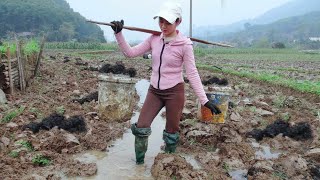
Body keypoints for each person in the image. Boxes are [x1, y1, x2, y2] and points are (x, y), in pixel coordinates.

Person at [110, 1, 221, 165]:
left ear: (178, 22)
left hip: (174, 93)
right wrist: (119, 34)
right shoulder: (154, 39)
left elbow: (192, 73)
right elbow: (130, 53)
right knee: (141, 128)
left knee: (171, 132)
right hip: (154, 91)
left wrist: (204, 100)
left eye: (168, 22)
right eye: (160, 21)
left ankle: (167, 164)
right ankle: (139, 165)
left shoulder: (185, 44)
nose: (163, 25)